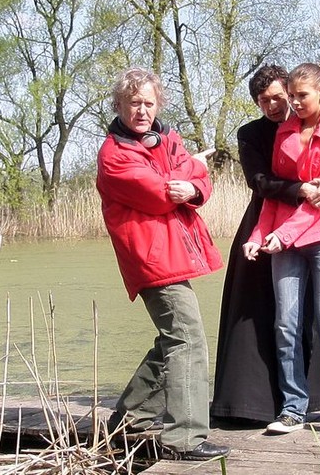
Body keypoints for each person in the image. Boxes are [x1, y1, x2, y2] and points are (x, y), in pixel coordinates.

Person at [211, 64, 320, 425]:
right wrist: (267, 231)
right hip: (272, 224)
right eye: (267, 100)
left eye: (285, 96)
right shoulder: (264, 133)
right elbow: (263, 184)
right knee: (280, 322)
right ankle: (284, 406)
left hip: (318, 230)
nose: (281, 104)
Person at [96, 67, 230, 461]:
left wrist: (195, 180)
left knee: (174, 338)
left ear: (159, 105)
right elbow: (161, 193)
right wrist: (193, 171)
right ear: (119, 104)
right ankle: (185, 440)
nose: (142, 111)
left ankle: (128, 418)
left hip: (172, 253)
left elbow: (194, 184)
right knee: (188, 339)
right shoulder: (114, 156)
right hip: (151, 258)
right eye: (134, 102)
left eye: (149, 103)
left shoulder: (167, 138)